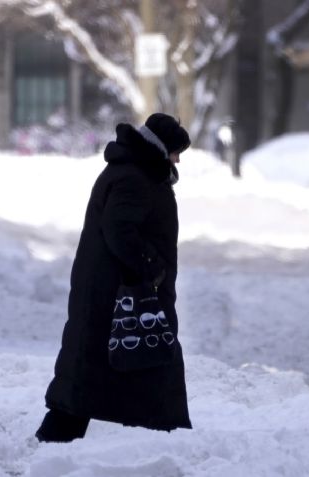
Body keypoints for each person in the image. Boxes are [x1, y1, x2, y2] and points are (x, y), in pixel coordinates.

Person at [36, 113, 192, 443]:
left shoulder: (136, 170)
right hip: (117, 291)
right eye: (176, 151)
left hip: (113, 289)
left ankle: (156, 439)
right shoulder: (134, 177)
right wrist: (151, 268)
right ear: (162, 148)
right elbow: (119, 230)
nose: (178, 159)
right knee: (125, 364)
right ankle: (160, 441)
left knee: (102, 371)